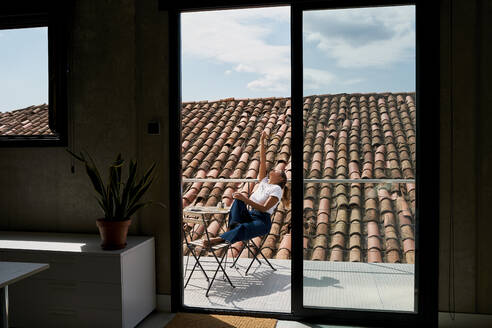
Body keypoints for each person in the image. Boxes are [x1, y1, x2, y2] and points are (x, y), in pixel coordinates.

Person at [203, 131, 290, 247]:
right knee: (237, 201)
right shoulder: (264, 181)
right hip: (251, 215)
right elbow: (262, 161)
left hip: (262, 221)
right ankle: (230, 231)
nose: (272, 171)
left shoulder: (277, 189)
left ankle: (220, 239)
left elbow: (264, 209)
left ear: (280, 179)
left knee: (243, 225)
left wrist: (246, 199)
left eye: (275, 171)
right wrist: (261, 141)